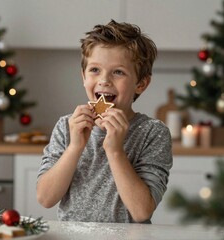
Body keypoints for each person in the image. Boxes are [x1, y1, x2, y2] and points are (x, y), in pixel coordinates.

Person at [37, 19, 173, 224]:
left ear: (141, 84)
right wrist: (75, 147)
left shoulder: (153, 133)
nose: (104, 80)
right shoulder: (67, 127)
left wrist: (115, 150)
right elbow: (45, 198)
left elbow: (142, 211)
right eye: (95, 70)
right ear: (83, 77)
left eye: (118, 72)